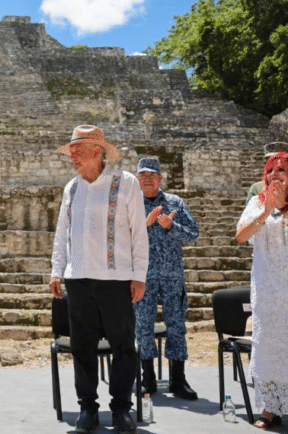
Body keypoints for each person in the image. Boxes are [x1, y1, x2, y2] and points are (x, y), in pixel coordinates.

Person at [48, 125, 148, 434]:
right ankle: (87, 408)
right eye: (71, 152)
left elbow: (138, 232)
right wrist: (56, 269)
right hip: (78, 279)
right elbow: (62, 232)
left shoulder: (125, 182)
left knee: (123, 345)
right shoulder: (71, 188)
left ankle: (120, 409)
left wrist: (139, 275)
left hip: (116, 278)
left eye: (78, 151)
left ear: (97, 151)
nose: (73, 156)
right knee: (82, 345)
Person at [236, 152, 288, 433]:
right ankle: (270, 408)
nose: (273, 175)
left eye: (281, 170)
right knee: (270, 345)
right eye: (270, 170)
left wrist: (286, 209)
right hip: (269, 287)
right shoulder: (257, 201)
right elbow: (242, 236)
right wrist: (266, 209)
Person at [133, 158, 199, 399]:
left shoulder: (175, 202)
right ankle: (147, 379)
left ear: (160, 178)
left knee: (176, 327)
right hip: (142, 277)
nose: (147, 179)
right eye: (143, 176)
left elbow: (193, 234)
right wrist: (145, 224)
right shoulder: (131, 203)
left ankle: (178, 380)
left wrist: (172, 226)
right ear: (137, 179)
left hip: (172, 276)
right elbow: (120, 238)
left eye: (152, 175)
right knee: (143, 327)